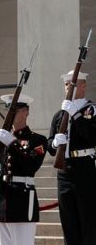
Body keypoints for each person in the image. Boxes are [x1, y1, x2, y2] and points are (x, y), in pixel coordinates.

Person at [47, 70, 96, 245]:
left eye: (73, 84)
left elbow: (92, 136)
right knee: (69, 223)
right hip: (64, 172)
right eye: (66, 84)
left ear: (83, 86)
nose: (69, 88)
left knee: (88, 222)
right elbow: (50, 145)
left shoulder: (91, 109)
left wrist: (76, 114)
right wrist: (53, 144)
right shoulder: (59, 114)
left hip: (85, 168)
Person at [0, 93, 47, 245]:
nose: (11, 113)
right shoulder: (3, 138)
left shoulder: (38, 140)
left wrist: (13, 143)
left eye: (15, 109)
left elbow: (31, 166)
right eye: (9, 109)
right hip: (3, 199)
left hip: (22, 199)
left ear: (26, 112)